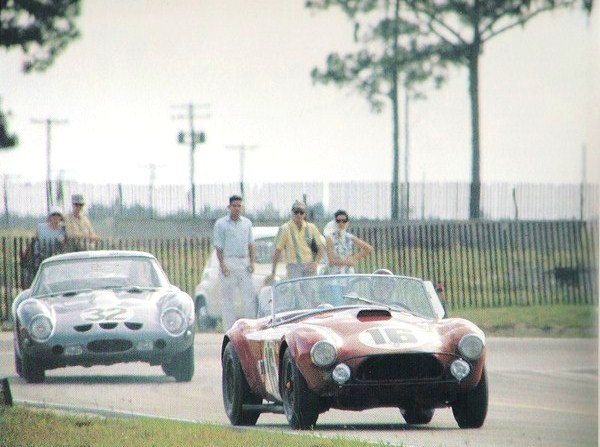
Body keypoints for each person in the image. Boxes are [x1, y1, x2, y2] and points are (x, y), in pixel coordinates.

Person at [213, 195, 256, 331]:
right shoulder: (221, 224)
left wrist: (252, 262)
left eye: (239, 206)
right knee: (228, 300)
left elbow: (251, 244)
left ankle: (251, 328)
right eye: (234, 206)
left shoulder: (247, 223)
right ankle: (230, 330)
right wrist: (222, 265)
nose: (237, 208)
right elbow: (218, 247)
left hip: (243, 261)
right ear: (229, 207)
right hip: (228, 261)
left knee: (249, 298)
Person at [267, 200, 323, 281]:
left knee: (310, 292)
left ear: (305, 214)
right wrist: (273, 271)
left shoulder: (312, 228)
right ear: (292, 212)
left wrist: (316, 262)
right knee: (296, 292)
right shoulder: (285, 229)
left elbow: (320, 248)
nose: (299, 215)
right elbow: (277, 250)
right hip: (293, 266)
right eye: (296, 212)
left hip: (309, 265)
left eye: (301, 212)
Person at [324, 210, 373, 274]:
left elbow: (368, 248)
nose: (341, 223)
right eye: (338, 221)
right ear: (335, 222)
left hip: (348, 273)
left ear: (347, 222)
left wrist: (353, 258)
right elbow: (331, 260)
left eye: (344, 221)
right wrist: (347, 262)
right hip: (334, 274)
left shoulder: (349, 237)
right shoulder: (329, 238)